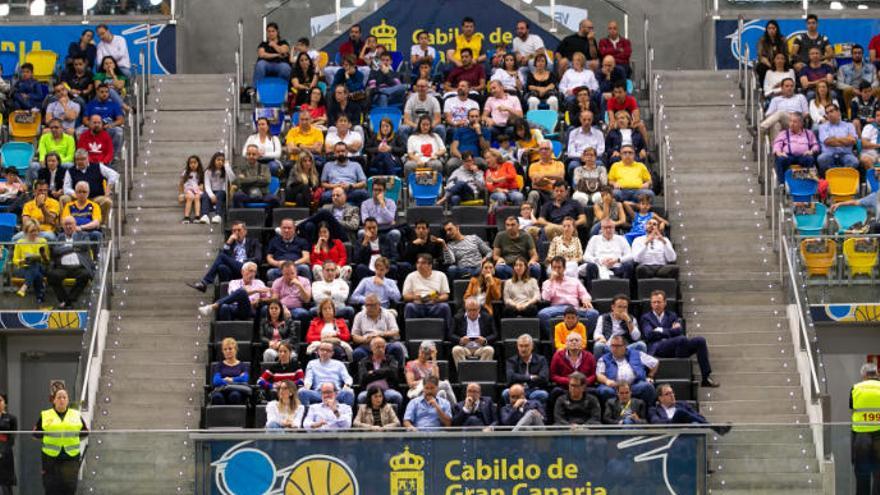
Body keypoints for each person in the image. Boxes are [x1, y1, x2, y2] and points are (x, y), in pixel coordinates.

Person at [640, 290, 719, 387]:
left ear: (665, 303)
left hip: (677, 346)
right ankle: (681, 367)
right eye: (654, 302)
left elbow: (679, 331)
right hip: (659, 347)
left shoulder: (672, 315)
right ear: (651, 304)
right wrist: (670, 331)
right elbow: (649, 335)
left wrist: (660, 330)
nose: (656, 304)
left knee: (700, 340)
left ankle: (705, 378)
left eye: (659, 302)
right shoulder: (646, 317)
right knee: (682, 339)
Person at [33, 384, 87, 495]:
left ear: (68, 401)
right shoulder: (45, 415)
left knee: (69, 488)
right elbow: (36, 434)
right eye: (59, 397)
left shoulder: (76, 415)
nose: (61, 400)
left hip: (71, 458)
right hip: (50, 459)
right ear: (54, 400)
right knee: (51, 488)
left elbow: (85, 432)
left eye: (64, 397)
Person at [187, 220, 261, 291]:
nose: (236, 233)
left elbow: (258, 258)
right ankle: (225, 292)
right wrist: (228, 242)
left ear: (245, 231)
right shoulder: (231, 244)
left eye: (239, 230)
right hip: (234, 270)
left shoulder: (253, 242)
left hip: (248, 268)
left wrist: (243, 262)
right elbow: (222, 259)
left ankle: (205, 283)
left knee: (222, 256)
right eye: (234, 231)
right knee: (221, 267)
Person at [539, 256, 598, 336]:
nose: (556, 270)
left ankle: (580, 337)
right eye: (554, 267)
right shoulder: (547, 282)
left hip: (573, 308)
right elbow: (545, 298)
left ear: (564, 268)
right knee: (542, 314)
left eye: (559, 267)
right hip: (557, 308)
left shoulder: (574, 281)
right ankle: (557, 337)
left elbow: (584, 294)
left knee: (594, 313)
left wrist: (586, 300)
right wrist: (551, 281)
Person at [47, 216, 95, 308]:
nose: (68, 226)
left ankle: (67, 301)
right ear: (63, 226)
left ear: (75, 225)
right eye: (66, 224)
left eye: (70, 224)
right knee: (52, 275)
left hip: (78, 266)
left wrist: (65, 248)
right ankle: (66, 301)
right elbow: (56, 251)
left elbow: (84, 246)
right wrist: (72, 248)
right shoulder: (60, 237)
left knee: (85, 275)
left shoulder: (83, 235)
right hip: (62, 267)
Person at [595, 335, 658, 404]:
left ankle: (649, 411)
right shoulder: (604, 358)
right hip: (614, 388)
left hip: (634, 386)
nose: (614, 349)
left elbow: (655, 362)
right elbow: (599, 374)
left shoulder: (637, 354)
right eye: (612, 346)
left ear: (624, 346)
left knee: (648, 386)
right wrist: (607, 381)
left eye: (617, 346)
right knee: (604, 391)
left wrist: (650, 376)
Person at [198, 262, 270, 321]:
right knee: (225, 307)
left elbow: (268, 297)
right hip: (234, 308)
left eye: (254, 272)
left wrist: (259, 300)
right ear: (242, 271)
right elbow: (237, 295)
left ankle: (213, 306)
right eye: (250, 271)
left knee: (242, 293)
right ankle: (226, 336)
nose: (253, 274)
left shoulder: (259, 282)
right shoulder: (233, 282)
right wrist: (256, 290)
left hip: (249, 309)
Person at [850, 362, 880, 495]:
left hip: (861, 436)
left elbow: (851, 406)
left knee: (862, 475)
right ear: (877, 373)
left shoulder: (856, 388)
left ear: (864, 375)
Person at [350, 292, 404, 361]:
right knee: (357, 353)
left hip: (385, 343)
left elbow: (395, 331)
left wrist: (381, 334)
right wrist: (364, 339)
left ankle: (399, 371)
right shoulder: (359, 316)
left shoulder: (388, 314)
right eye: (367, 305)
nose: (369, 308)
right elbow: (355, 336)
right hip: (367, 344)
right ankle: (363, 372)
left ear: (379, 304)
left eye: (372, 305)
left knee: (397, 347)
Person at [582, 218, 633, 287]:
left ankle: (625, 293)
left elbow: (630, 255)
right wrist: (598, 260)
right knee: (590, 266)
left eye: (610, 227)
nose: (608, 230)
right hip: (599, 267)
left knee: (628, 266)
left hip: (617, 267)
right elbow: (586, 256)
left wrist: (617, 260)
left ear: (614, 228)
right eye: (605, 227)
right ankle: (592, 295)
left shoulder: (621, 239)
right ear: (601, 229)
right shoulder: (594, 239)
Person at [772, 112, 819, 184]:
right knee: (780, 159)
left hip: (803, 156)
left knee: (810, 159)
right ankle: (782, 184)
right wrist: (778, 152)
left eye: (795, 122)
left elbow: (815, 145)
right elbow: (777, 144)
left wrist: (812, 151)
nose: (791, 124)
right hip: (788, 156)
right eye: (790, 121)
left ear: (801, 124)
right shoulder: (784, 133)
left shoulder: (809, 133)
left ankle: (804, 182)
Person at [450, 297, 496, 366]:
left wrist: (485, 340)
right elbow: (450, 334)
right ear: (466, 310)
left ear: (479, 309)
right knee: (456, 349)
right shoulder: (458, 318)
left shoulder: (487, 318)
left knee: (489, 350)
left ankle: (481, 374)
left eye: (474, 310)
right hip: (465, 347)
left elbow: (495, 334)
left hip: (480, 347)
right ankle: (464, 374)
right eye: (469, 310)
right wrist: (461, 340)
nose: (472, 312)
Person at [504, 334, 549, 404]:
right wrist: (530, 377)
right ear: (517, 346)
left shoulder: (541, 360)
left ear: (532, 346)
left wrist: (519, 377)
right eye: (521, 346)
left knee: (543, 394)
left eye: (526, 346)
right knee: (506, 393)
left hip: (534, 391)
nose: (523, 349)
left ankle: (528, 407)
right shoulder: (511, 361)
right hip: (517, 390)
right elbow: (510, 377)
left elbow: (544, 378)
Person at [12, 221, 49, 303]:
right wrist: (23, 260)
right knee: (37, 273)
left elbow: (47, 260)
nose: (34, 233)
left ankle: (25, 286)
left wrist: (43, 256)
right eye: (32, 231)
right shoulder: (20, 242)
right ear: (26, 231)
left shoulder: (43, 241)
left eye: (36, 231)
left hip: (41, 266)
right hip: (23, 268)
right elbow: (15, 260)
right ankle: (40, 298)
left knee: (35, 264)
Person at [232, 145, 278, 209]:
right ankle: (242, 217)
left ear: (258, 155)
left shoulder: (264, 167)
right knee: (237, 196)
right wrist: (258, 178)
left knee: (274, 199)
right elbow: (238, 181)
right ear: (246, 155)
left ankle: (268, 218)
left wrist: (246, 180)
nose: (251, 156)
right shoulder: (240, 168)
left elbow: (267, 180)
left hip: (263, 194)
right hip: (246, 194)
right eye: (249, 154)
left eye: (253, 154)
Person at [447, 108, 491, 174]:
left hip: (475, 158)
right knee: (451, 163)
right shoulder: (460, 130)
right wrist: (463, 159)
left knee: (482, 163)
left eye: (476, 116)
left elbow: (486, 149)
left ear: (480, 117)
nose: (474, 118)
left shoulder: (485, 131)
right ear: (468, 118)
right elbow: (454, 149)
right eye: (472, 116)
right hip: (460, 158)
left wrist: (479, 133)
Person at [817, 104, 859, 174]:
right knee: (822, 159)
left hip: (846, 154)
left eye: (831, 111)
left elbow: (852, 141)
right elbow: (828, 142)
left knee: (854, 161)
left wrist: (834, 138)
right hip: (829, 154)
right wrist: (846, 140)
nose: (829, 114)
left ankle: (841, 176)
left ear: (838, 112)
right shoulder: (822, 127)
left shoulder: (849, 125)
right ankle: (835, 175)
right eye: (827, 113)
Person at [210, 338, 251, 405]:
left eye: (230, 348)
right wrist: (237, 379)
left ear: (235, 349)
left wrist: (230, 379)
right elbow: (216, 381)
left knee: (234, 395)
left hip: (236, 390)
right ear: (222, 351)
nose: (227, 351)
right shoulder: (219, 365)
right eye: (225, 349)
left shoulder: (242, 365)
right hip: (221, 390)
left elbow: (245, 379)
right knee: (217, 397)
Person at [526, 142, 566, 210]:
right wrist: (551, 182)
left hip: (555, 192)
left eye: (546, 149)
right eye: (541, 149)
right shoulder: (533, 165)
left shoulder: (559, 164)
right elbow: (536, 181)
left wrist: (544, 175)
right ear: (539, 151)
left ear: (551, 151)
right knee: (533, 194)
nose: (543, 151)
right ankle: (530, 219)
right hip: (540, 191)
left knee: (559, 193)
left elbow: (560, 177)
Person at [201, 152, 233, 224]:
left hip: (221, 191)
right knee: (204, 195)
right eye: (218, 160)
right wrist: (212, 195)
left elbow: (232, 179)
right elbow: (207, 185)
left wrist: (227, 166)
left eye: (222, 161)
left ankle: (218, 215)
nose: (220, 162)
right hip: (211, 191)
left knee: (220, 194)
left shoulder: (225, 171)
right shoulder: (208, 172)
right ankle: (205, 215)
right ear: (214, 160)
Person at [756, 20, 788, 87]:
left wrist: (780, 63)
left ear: (777, 29)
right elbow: (761, 56)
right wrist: (771, 66)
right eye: (769, 28)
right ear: (766, 30)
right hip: (768, 63)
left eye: (773, 28)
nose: (771, 30)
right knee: (761, 68)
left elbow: (785, 54)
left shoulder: (783, 39)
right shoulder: (762, 40)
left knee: (791, 67)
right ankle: (764, 89)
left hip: (781, 62)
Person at [178, 155, 203, 224]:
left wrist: (201, 187)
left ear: (198, 163)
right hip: (188, 190)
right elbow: (181, 184)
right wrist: (180, 194)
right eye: (191, 163)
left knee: (197, 197)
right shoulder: (186, 172)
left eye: (195, 163)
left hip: (197, 190)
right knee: (190, 197)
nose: (193, 165)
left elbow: (202, 183)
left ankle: (197, 216)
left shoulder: (200, 173)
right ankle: (186, 216)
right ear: (188, 164)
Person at [0, 393, 16, 494]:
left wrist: (2, 452)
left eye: (0, 400)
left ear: (5, 403)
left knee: (6, 484)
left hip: (5, 455)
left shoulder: (11, 418)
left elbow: (12, 439)